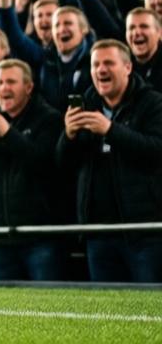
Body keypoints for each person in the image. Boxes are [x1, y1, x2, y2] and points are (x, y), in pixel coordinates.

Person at [56, 40, 162, 282]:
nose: (101, 70)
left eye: (108, 63)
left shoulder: (152, 103)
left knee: (151, 307)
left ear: (127, 67)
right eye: (95, 65)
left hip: (143, 232)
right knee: (106, 313)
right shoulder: (86, 105)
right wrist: (68, 135)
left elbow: (156, 150)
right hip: (98, 231)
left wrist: (111, 130)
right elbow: (63, 165)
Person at [0, 59, 67, 281]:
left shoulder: (49, 119)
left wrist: (8, 134)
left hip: (40, 237)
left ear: (28, 87)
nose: (3, 88)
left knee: (49, 309)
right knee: (7, 312)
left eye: (11, 82)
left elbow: (47, 165)